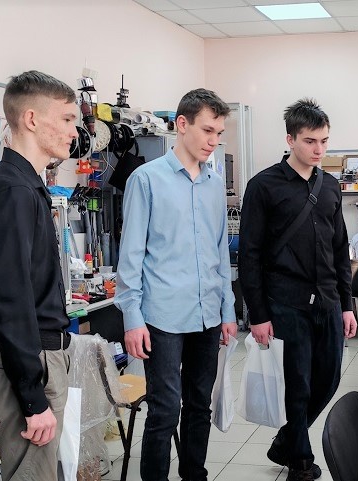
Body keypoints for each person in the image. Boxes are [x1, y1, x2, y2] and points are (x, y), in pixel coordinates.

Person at [115, 88, 238, 481]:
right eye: (207, 130)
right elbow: (131, 255)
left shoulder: (214, 184)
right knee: (165, 410)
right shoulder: (146, 179)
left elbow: (219, 252)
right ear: (182, 125)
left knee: (200, 405)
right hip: (162, 316)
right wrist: (132, 318)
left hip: (207, 314)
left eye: (218, 133)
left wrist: (228, 310)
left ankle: (194, 475)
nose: (213, 141)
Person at [238, 98, 357, 481]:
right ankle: (301, 464)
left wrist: (347, 304)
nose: (319, 149)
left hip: (328, 301)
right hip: (286, 304)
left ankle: (286, 441)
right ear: (290, 139)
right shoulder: (263, 186)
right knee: (299, 386)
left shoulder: (330, 186)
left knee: (329, 379)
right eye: (310, 141)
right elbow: (249, 255)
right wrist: (258, 314)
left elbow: (340, 249)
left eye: (324, 141)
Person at [0, 70, 77, 481]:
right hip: (29, 357)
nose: (75, 131)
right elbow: (10, 299)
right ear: (32, 119)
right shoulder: (15, 191)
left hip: (38, 355)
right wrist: (33, 399)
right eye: (67, 119)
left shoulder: (23, 184)